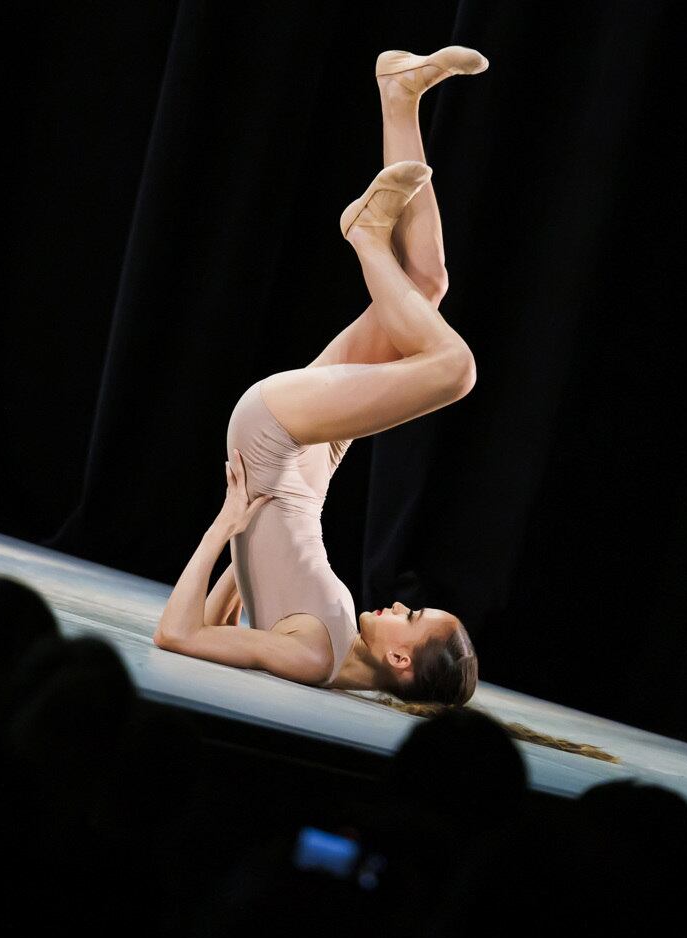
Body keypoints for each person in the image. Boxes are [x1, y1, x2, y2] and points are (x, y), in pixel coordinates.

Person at [154, 46, 489, 707]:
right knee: (426, 285)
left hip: (275, 434)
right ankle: (401, 94)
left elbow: (175, 635)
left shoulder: (313, 659)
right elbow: (232, 616)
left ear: (399, 658)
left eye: (412, 618)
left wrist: (225, 526)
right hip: (309, 454)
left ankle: (365, 236)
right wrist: (245, 541)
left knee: (455, 371)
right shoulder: (326, 648)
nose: (399, 603)